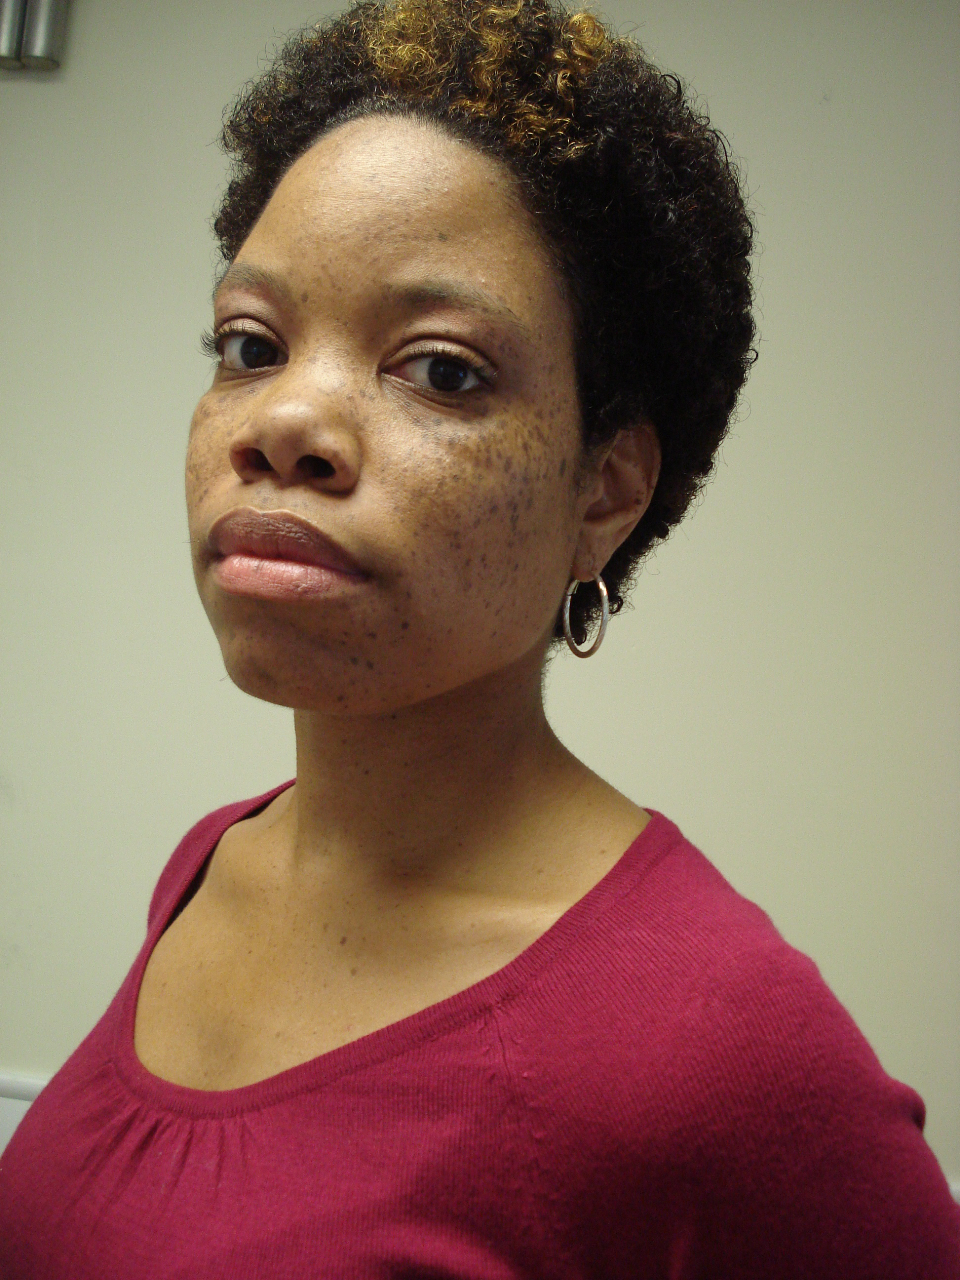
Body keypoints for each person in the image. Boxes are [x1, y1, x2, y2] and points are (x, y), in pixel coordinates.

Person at [1, 0, 957, 1274]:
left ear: (604, 491)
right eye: (251, 343)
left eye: (442, 369)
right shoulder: (213, 860)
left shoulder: (721, 1045)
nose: (282, 423)